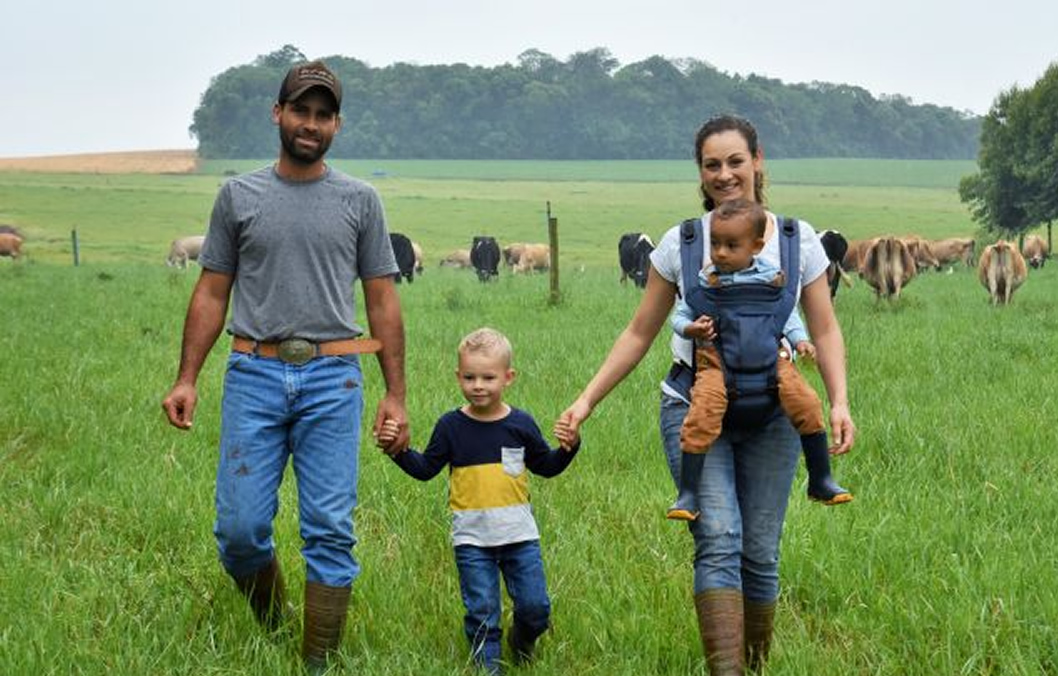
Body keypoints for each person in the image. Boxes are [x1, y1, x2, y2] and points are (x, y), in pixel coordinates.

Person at [557, 115, 855, 675]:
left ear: (757, 161)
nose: (724, 175)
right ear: (700, 171)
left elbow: (826, 327)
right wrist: (586, 400)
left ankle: (755, 666)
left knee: (759, 552)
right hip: (696, 404)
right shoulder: (684, 242)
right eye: (712, 164)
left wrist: (838, 401)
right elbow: (641, 330)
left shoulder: (798, 241)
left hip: (773, 414)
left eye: (735, 161)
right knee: (718, 537)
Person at [161, 60, 410, 674]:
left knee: (329, 527)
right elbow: (213, 290)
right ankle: (273, 622)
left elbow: (381, 299)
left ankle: (316, 660)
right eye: (301, 110)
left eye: (324, 115)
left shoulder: (360, 200)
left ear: (337, 125)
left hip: (334, 376)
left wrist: (396, 395)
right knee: (240, 530)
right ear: (278, 114)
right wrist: (188, 376)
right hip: (255, 373)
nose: (311, 124)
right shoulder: (239, 196)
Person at [377, 327, 580, 675]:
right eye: (469, 377)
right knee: (482, 613)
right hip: (472, 541)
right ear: (459, 376)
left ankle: (522, 641)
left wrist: (569, 447)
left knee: (535, 609)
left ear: (508, 377)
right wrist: (396, 451)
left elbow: (545, 466)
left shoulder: (520, 424)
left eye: (488, 377)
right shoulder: (450, 426)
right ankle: (489, 668)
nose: (478, 385)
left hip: (520, 538)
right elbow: (426, 469)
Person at [667, 198, 851, 522]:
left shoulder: (772, 278)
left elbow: (787, 314)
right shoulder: (706, 280)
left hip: (771, 360)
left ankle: (821, 478)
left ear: (756, 246)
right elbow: (680, 315)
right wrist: (690, 328)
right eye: (716, 244)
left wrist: (801, 340)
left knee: (806, 402)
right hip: (717, 362)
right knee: (703, 411)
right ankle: (690, 492)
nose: (720, 253)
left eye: (731, 245)